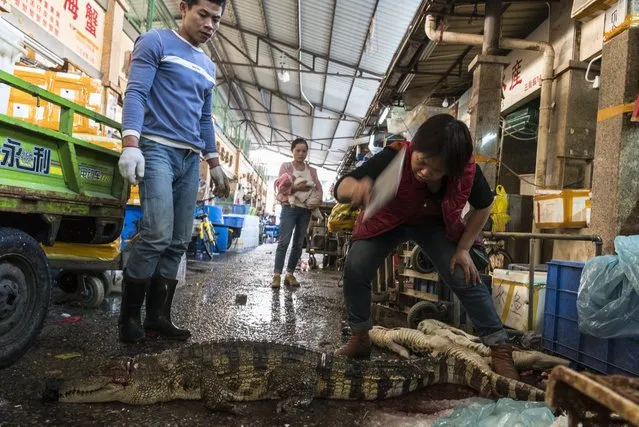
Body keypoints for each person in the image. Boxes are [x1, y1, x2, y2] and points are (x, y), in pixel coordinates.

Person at [332, 114, 520, 380]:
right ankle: (360, 335)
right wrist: (356, 189)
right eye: (421, 162)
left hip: (434, 226)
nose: (425, 173)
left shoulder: (466, 171)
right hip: (388, 221)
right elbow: (341, 186)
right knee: (356, 265)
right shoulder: (395, 154)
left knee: (463, 274)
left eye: (436, 170)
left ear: (451, 169)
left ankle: (500, 349)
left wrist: (463, 248)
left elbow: (484, 205)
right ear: (414, 148)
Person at [116, 0, 230, 343]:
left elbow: (204, 119)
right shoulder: (155, 41)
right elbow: (136, 92)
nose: (210, 25)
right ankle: (129, 318)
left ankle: (158, 317)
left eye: (217, 19)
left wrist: (215, 162)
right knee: (156, 234)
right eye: (203, 15)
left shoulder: (208, 66)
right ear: (183, 7)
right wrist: (131, 143)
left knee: (179, 240)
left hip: (189, 158)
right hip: (156, 149)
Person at [271, 138, 323, 288]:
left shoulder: (312, 171)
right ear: (292, 151)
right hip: (290, 208)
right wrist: (297, 188)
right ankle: (276, 275)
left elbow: (318, 189)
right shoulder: (286, 167)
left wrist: (316, 201)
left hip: (305, 210)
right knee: (284, 242)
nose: (301, 154)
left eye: (304, 151)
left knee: (298, 244)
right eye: (298, 150)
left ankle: (290, 274)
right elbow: (282, 188)